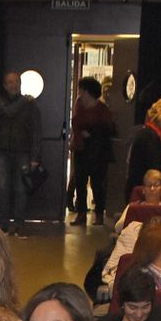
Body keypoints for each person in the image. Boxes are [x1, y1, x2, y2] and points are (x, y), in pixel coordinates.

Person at [0, 71, 42, 235]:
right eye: (10, 82)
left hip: (23, 151)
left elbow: (36, 130)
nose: (14, 85)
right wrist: (25, 100)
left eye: (17, 81)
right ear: (5, 85)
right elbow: (9, 112)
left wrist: (35, 156)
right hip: (1, 150)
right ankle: (2, 225)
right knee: (2, 188)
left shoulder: (31, 105)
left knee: (21, 189)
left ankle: (19, 225)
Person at [68, 77, 116, 226]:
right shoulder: (79, 106)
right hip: (81, 149)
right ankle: (81, 213)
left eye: (81, 89)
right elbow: (76, 125)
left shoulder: (101, 109)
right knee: (80, 181)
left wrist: (91, 134)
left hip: (97, 151)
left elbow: (109, 130)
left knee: (97, 183)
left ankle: (99, 214)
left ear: (88, 91)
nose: (80, 92)